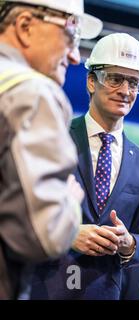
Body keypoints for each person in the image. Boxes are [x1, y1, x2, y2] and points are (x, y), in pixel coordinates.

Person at [31, 33, 139, 299]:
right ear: (91, 81)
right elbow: (19, 208)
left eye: (134, 82)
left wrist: (128, 243)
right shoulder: (53, 136)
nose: (125, 90)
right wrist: (68, 233)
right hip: (42, 286)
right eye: (115, 79)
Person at [0, 0, 102, 299]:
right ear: (26, 26)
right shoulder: (31, 94)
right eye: (71, 35)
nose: (73, 56)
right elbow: (42, 236)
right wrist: (69, 204)